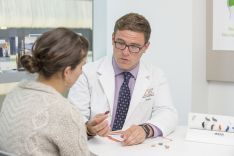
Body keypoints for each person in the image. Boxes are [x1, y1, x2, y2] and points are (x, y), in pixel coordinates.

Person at [68, 13, 178, 146]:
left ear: (145, 47)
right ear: (113, 39)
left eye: (134, 47)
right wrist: (89, 129)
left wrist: (145, 130)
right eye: (120, 43)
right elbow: (73, 120)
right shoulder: (86, 73)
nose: (125, 52)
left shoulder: (156, 75)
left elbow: (168, 113)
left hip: (134, 149)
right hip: (96, 148)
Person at [0, 28, 90, 156]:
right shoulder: (66, 112)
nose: (82, 71)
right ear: (67, 72)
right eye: (82, 66)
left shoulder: (13, 95)